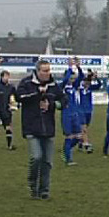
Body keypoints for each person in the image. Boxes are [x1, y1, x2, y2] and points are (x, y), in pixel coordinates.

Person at [16, 60, 66, 200]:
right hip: (31, 127)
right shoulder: (26, 83)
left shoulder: (53, 85)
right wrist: (37, 94)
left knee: (47, 162)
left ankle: (44, 190)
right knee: (36, 157)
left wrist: (53, 104)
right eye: (44, 70)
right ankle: (32, 183)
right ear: (37, 71)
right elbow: (20, 97)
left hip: (48, 128)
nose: (47, 73)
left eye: (49, 70)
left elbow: (64, 100)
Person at [59, 57, 84, 165]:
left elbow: (81, 77)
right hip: (66, 114)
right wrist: (70, 67)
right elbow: (65, 80)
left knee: (78, 137)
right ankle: (68, 158)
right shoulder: (61, 87)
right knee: (69, 136)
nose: (72, 78)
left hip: (75, 114)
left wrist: (78, 66)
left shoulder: (74, 86)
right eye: (70, 76)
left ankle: (66, 150)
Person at [0, 70, 17, 150]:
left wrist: (14, 105)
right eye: (5, 76)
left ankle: (9, 146)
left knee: (8, 127)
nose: (7, 78)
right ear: (1, 77)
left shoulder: (11, 87)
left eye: (8, 76)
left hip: (7, 111)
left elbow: (15, 97)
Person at [78, 69, 102, 153]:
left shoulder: (90, 88)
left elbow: (99, 85)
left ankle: (80, 142)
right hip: (81, 111)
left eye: (89, 83)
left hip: (89, 111)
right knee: (84, 128)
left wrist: (96, 77)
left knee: (85, 128)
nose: (87, 84)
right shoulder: (79, 90)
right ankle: (87, 145)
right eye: (86, 82)